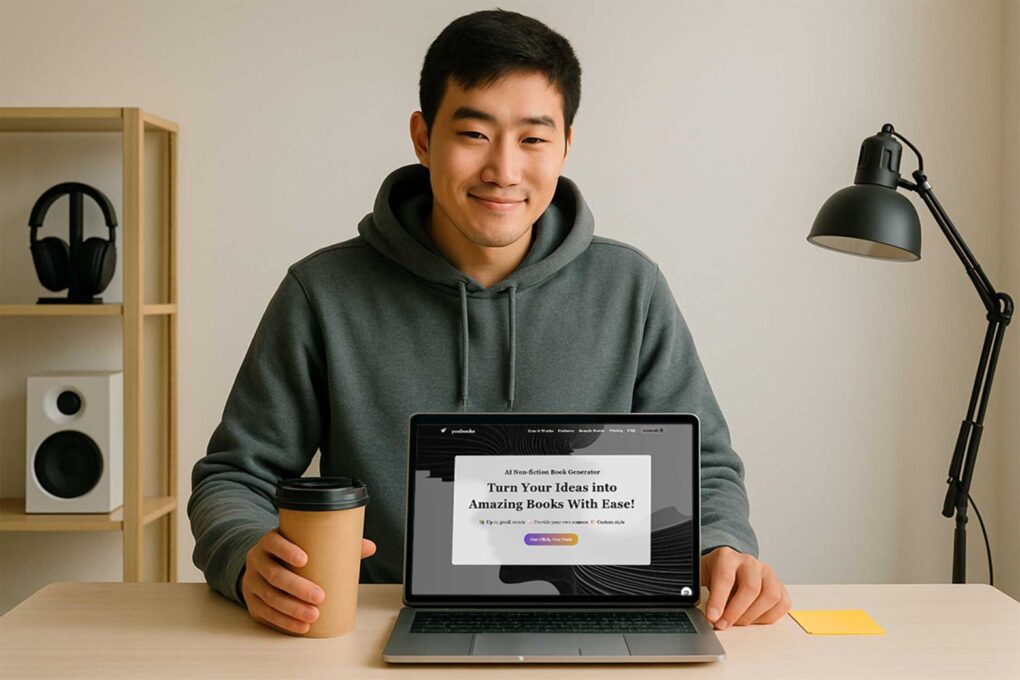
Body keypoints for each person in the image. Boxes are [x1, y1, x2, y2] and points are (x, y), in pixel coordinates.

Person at [188, 8, 790, 637]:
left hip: (595, 620)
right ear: (423, 137)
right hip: (377, 627)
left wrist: (722, 545)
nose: (504, 170)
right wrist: (247, 554)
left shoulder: (630, 288)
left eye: (533, 139)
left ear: (565, 146)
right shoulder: (323, 292)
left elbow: (705, 468)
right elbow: (236, 475)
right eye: (474, 133)